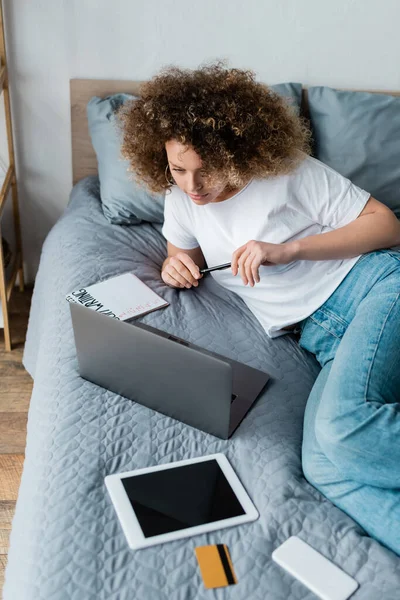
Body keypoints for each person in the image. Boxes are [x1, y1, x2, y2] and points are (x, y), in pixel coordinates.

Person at [120, 62, 400, 555]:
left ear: (234, 151)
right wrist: (175, 266)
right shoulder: (182, 199)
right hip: (322, 334)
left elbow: (387, 226)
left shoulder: (289, 173)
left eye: (205, 168)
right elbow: (178, 251)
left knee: (343, 429)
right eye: (178, 168)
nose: (192, 184)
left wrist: (288, 250)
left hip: (374, 287)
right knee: (325, 469)